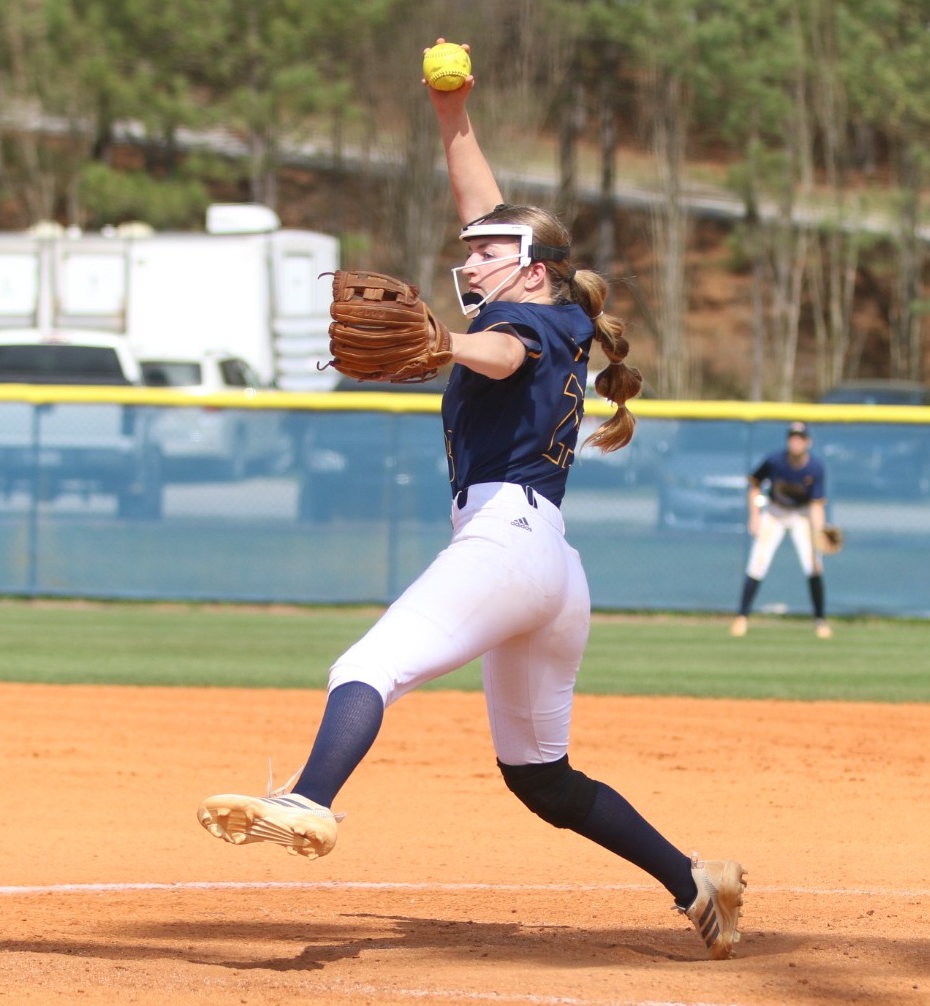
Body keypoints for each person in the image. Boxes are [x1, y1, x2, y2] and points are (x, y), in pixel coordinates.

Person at [195, 38, 747, 960]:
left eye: (489, 253)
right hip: (550, 567)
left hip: (506, 542)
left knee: (366, 666)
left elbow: (501, 354)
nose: (471, 259)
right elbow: (482, 209)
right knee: (542, 780)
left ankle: (308, 799)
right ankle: (698, 881)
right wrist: (451, 114)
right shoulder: (552, 304)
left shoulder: (522, 323)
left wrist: (449, 344)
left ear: (531, 267)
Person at [730, 421, 832, 639]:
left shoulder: (815, 468)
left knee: (814, 565)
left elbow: (816, 505)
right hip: (775, 512)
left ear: (808, 442)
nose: (796, 441)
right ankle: (741, 617)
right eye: (793, 437)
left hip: (802, 516)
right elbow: (754, 483)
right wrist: (755, 515)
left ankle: (820, 621)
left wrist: (820, 532)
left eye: (800, 437)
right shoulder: (775, 461)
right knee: (758, 562)